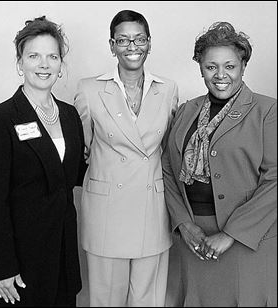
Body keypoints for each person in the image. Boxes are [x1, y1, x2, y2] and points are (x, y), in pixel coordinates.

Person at [162, 21, 277, 306]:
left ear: (243, 66)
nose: (220, 75)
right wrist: (184, 225)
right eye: (211, 67)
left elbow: (275, 179)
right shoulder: (187, 109)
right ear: (200, 67)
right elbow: (167, 169)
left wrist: (231, 234)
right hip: (194, 239)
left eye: (230, 66)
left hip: (248, 240)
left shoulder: (267, 110)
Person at [0, 16, 87, 306]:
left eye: (52, 56)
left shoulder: (69, 115)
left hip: (63, 257)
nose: (44, 64)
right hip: (18, 264)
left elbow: (75, 175)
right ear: (20, 63)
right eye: (34, 56)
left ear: (61, 65)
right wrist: (1, 267)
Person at [74, 9, 178, 307]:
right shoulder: (89, 89)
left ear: (149, 42)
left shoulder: (168, 89)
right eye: (123, 40)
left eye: (139, 39)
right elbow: (83, 148)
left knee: (149, 299)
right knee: (106, 299)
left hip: (152, 206)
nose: (132, 47)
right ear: (111, 45)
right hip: (107, 208)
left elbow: (169, 149)